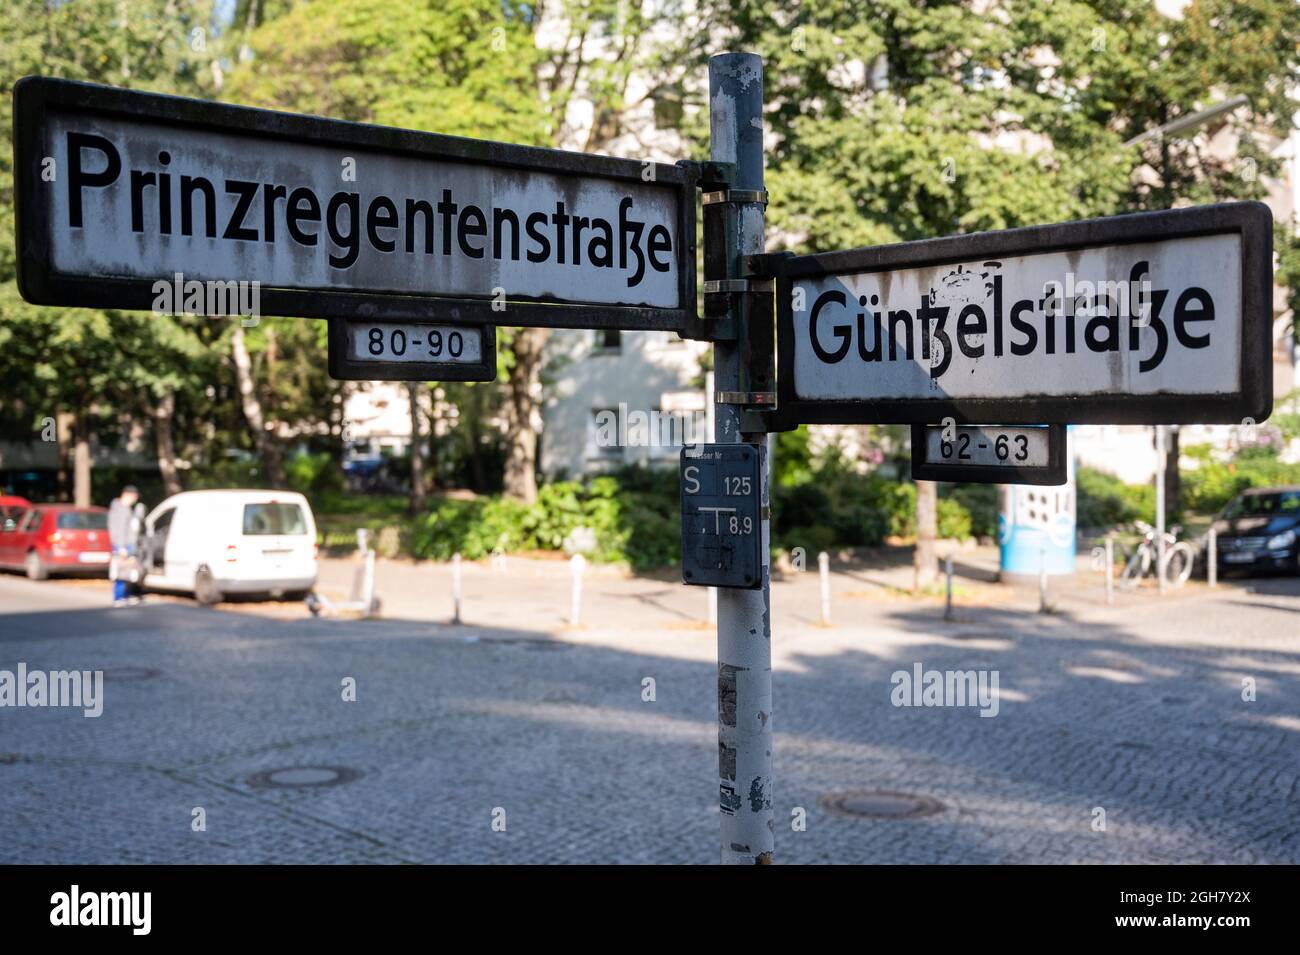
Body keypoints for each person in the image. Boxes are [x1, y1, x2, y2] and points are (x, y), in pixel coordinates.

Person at [107, 485, 141, 607]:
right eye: (134, 496)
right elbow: (119, 530)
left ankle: (125, 596)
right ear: (127, 494)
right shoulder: (121, 509)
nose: (135, 499)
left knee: (126, 571)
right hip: (123, 545)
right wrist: (121, 547)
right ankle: (119, 597)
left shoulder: (122, 508)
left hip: (125, 544)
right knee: (121, 571)